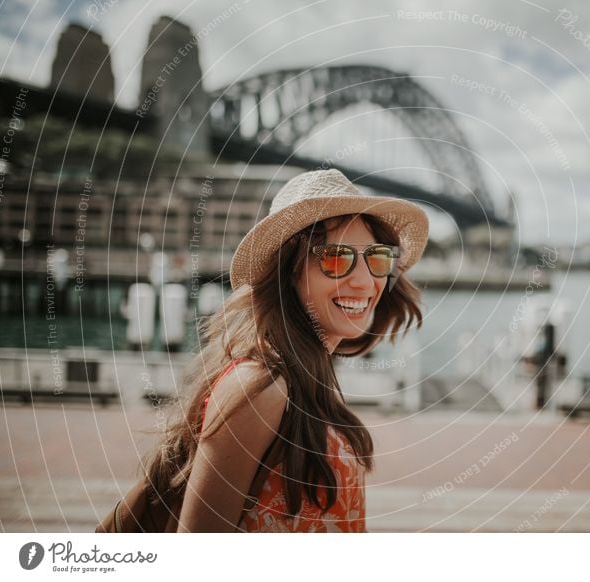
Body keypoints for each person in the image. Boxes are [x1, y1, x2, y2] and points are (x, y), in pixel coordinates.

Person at [145, 169, 429, 532]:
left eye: (376, 258)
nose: (363, 281)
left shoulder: (307, 378)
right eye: (336, 258)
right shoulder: (259, 388)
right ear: (289, 273)